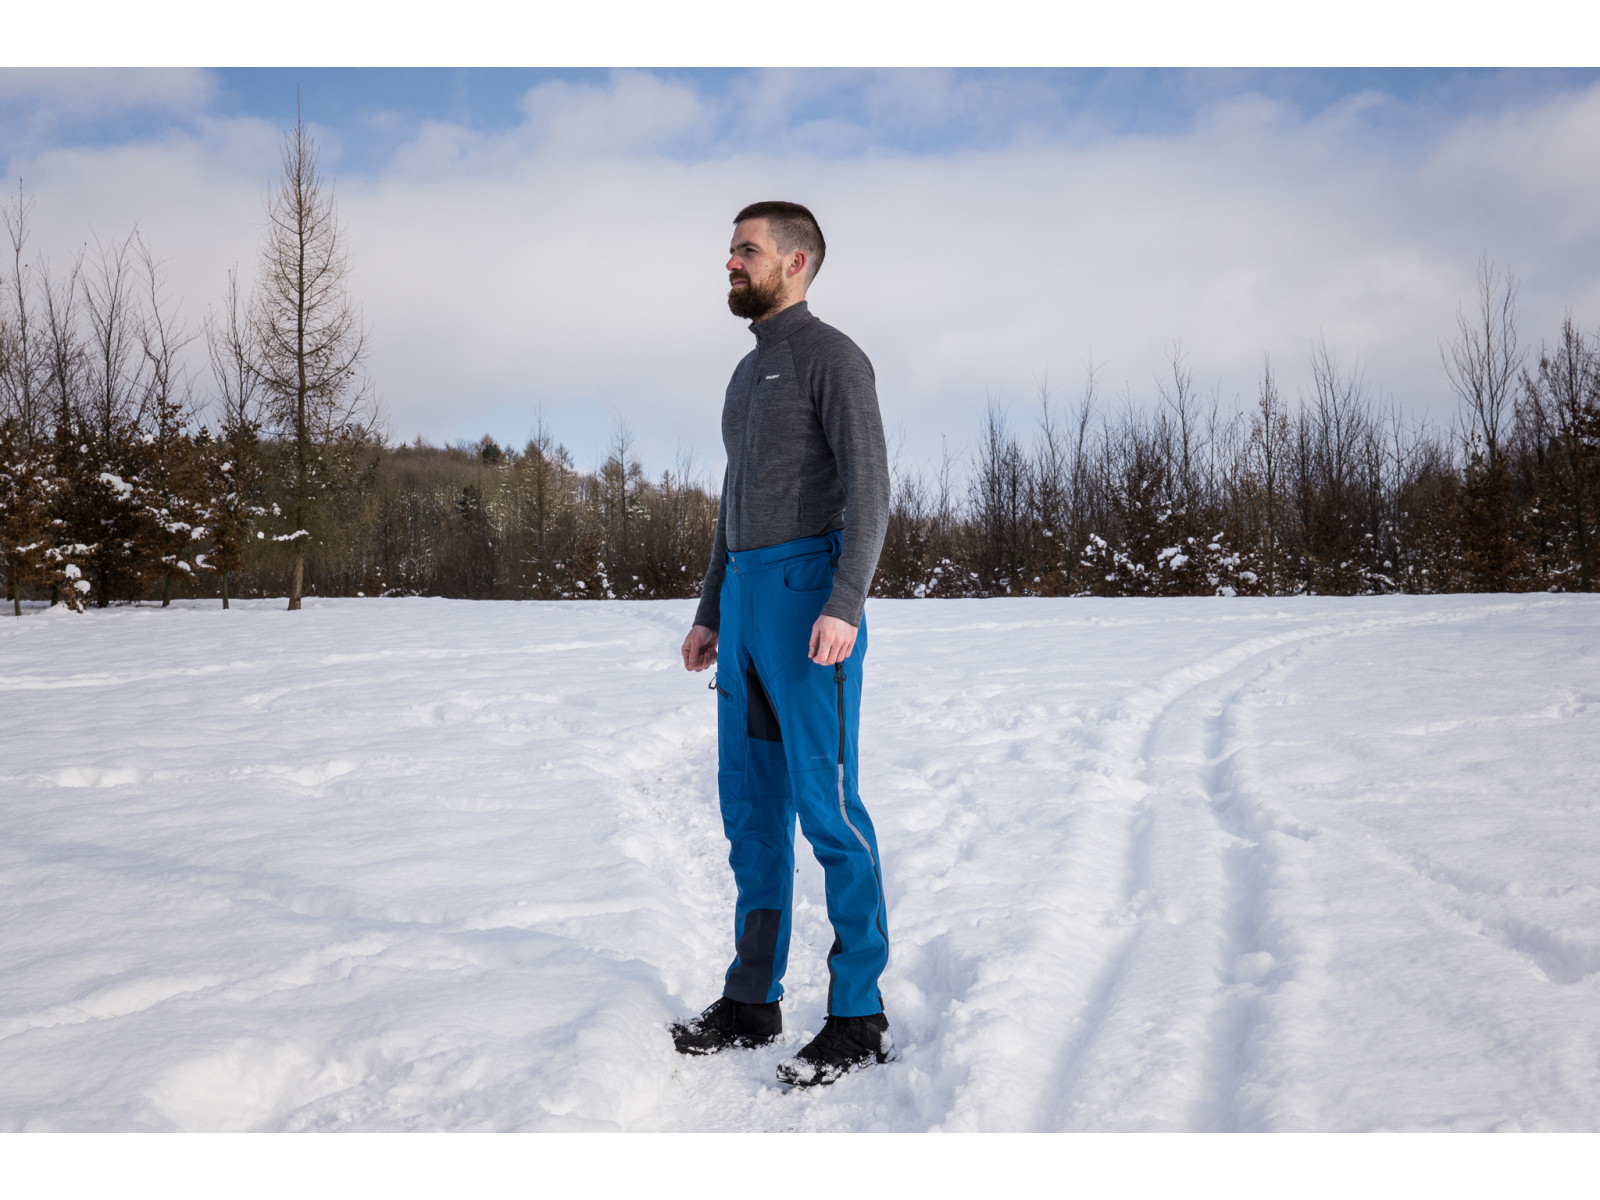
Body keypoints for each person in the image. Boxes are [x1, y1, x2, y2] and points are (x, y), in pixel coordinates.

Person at [673, 201, 892, 1087]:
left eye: (746, 250)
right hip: (746, 604)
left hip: (810, 604)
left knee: (826, 808)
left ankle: (858, 1013)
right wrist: (711, 609)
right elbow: (732, 505)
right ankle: (752, 999)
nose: (731, 263)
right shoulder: (744, 373)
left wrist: (845, 601)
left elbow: (871, 491)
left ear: (795, 261)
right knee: (751, 810)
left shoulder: (832, 358)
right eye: (730, 250)